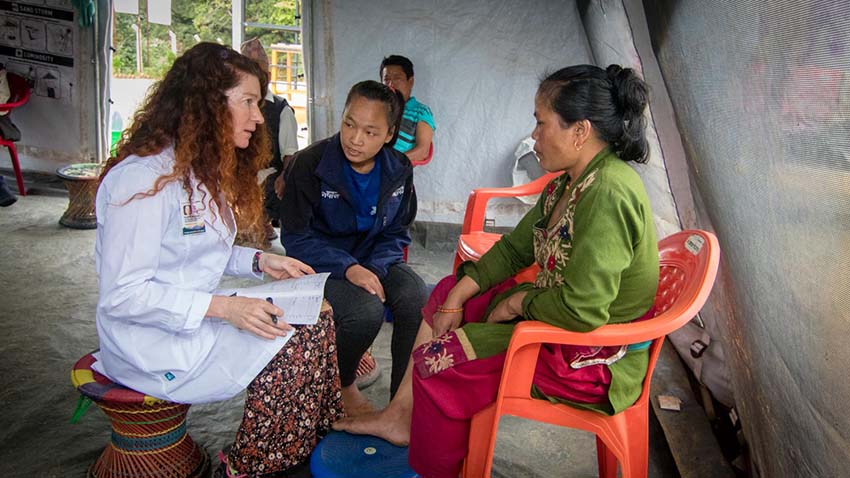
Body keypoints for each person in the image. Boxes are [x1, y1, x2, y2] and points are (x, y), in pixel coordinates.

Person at [335, 64, 660, 478]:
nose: (534, 135)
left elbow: (584, 311)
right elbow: (513, 250)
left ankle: (439, 468)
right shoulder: (569, 183)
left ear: (580, 131)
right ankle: (400, 417)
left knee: (443, 361)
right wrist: (458, 295)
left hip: (587, 357)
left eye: (541, 123)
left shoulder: (607, 193)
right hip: (560, 324)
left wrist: (516, 303)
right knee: (447, 292)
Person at [94, 42, 342, 478]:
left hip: (190, 314)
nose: (259, 117)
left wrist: (260, 263)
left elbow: (195, 251)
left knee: (316, 316)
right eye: (248, 102)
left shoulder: (195, 168)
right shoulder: (141, 181)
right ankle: (251, 466)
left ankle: (299, 446)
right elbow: (124, 295)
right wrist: (227, 308)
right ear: (208, 104)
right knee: (294, 339)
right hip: (147, 343)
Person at [279, 80, 428, 417]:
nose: (355, 139)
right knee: (365, 310)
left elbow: (396, 231)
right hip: (320, 264)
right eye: (349, 124)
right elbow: (297, 239)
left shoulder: (398, 169)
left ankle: (400, 402)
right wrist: (348, 268)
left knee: (416, 297)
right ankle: (343, 385)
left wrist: (373, 269)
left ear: (389, 134)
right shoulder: (310, 164)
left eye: (370, 132)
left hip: (372, 260)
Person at [239, 38, 300, 244]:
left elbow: (290, 154)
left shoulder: (281, 109)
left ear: (269, 75)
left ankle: (261, 223)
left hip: (267, 176)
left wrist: (285, 177)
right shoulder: (230, 105)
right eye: (247, 70)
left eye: (258, 70)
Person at [380, 55, 435, 163]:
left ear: (410, 81)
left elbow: (423, 151)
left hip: (396, 169)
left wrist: (391, 164)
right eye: (386, 79)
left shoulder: (421, 111)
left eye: (397, 78)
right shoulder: (377, 108)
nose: (391, 84)